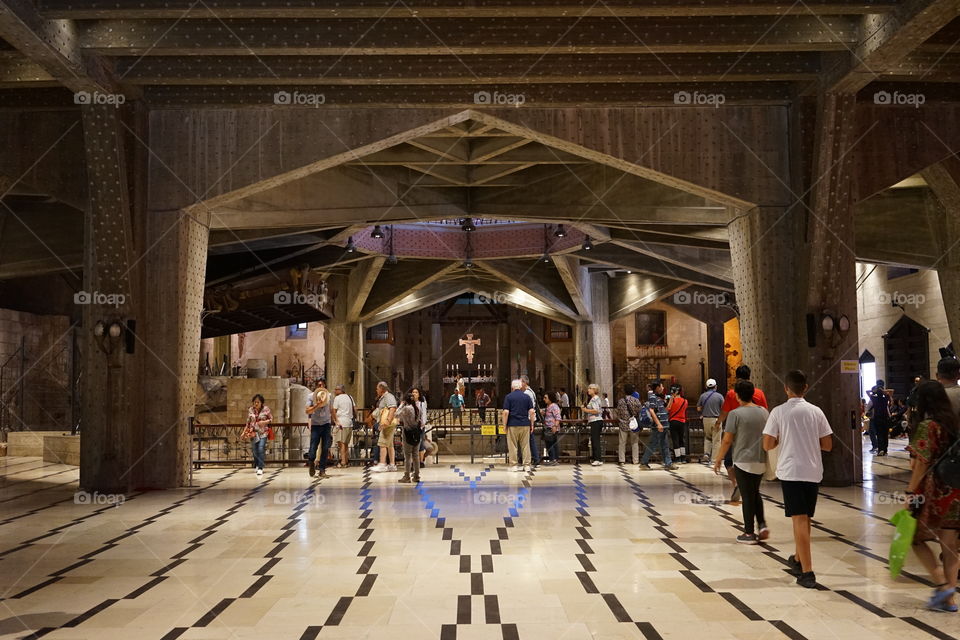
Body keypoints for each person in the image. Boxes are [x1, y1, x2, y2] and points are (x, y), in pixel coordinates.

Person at [762, 370, 833, 589]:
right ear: (806, 388)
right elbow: (828, 445)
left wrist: (782, 440)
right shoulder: (816, 411)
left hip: (792, 471)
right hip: (812, 471)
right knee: (804, 519)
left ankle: (807, 572)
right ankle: (797, 558)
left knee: (799, 519)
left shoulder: (779, 412)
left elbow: (767, 444)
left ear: (786, 388)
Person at [906, 380, 960, 612]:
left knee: (914, 538)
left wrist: (910, 491)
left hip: (935, 490)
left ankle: (941, 583)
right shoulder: (954, 422)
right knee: (950, 546)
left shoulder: (928, 426)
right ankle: (949, 599)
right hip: (957, 488)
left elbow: (921, 462)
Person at [714, 380, 769, 544]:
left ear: (737, 396)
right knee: (754, 492)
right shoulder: (764, 412)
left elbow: (727, 440)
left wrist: (718, 459)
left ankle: (749, 533)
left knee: (747, 495)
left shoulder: (735, 414)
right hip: (760, 459)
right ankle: (763, 525)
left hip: (743, 460)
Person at [718, 365, 768, 500]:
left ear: (736, 376)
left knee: (729, 460)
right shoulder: (759, 393)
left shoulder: (731, 393)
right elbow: (764, 411)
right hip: (755, 433)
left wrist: (718, 422)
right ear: (750, 376)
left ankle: (736, 483)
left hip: (735, 430)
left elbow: (725, 411)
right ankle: (751, 488)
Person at [641, 381, 677, 470]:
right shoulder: (653, 397)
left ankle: (668, 463)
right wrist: (658, 424)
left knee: (665, 445)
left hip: (664, 425)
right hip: (659, 426)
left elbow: (667, 409)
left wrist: (672, 398)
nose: (663, 388)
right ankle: (644, 463)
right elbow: (651, 410)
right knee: (653, 444)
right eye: (661, 386)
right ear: (657, 387)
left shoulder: (659, 398)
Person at [502, 379, 534, 472]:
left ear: (512, 387)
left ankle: (514, 465)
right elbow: (532, 412)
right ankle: (527, 465)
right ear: (520, 387)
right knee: (525, 445)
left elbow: (505, 412)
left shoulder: (509, 397)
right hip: (525, 424)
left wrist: (504, 425)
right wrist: (532, 424)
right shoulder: (526, 397)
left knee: (513, 446)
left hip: (512, 424)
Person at [305, 378, 332, 479]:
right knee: (313, 446)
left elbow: (331, 410)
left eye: (322, 385)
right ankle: (311, 461)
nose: (321, 387)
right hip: (316, 425)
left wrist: (336, 421)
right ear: (316, 387)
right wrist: (317, 405)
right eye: (319, 385)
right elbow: (307, 411)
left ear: (324, 386)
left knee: (325, 447)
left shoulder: (329, 396)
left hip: (326, 424)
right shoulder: (310, 397)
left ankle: (322, 470)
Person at [372, 381, 398, 473]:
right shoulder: (383, 397)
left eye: (377, 388)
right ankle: (392, 464)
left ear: (382, 389)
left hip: (387, 424)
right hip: (386, 423)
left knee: (382, 443)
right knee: (389, 445)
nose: (376, 390)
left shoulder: (388, 397)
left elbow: (392, 408)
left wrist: (387, 421)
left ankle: (382, 464)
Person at [397, 392, 422, 484]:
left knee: (407, 456)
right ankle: (416, 475)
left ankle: (407, 476)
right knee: (416, 455)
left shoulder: (406, 408)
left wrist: (401, 405)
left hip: (408, 432)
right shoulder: (417, 408)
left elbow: (396, 414)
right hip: (417, 432)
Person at [698, 379, 724, 464]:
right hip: (716, 419)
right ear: (715, 387)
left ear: (706, 387)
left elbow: (698, 408)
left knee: (707, 437)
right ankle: (714, 459)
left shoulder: (703, 396)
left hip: (705, 419)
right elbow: (724, 409)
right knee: (716, 440)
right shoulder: (720, 396)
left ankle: (706, 454)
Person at [616, 384, 643, 465]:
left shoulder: (621, 401)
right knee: (634, 443)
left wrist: (621, 419)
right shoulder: (636, 400)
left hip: (623, 424)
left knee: (622, 443)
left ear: (624, 391)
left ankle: (622, 460)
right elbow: (640, 411)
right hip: (634, 425)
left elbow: (618, 412)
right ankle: (635, 460)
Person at [247, 394, 272, 476]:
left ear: (261, 403)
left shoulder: (266, 409)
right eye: (255, 402)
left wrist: (264, 422)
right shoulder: (251, 410)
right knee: (255, 450)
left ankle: (260, 467)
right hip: (254, 433)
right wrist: (244, 432)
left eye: (258, 402)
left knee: (261, 448)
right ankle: (257, 464)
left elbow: (271, 419)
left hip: (263, 432)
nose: (256, 404)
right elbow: (248, 421)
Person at [331, 384, 355, 469]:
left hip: (341, 423)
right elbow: (355, 409)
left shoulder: (337, 398)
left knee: (341, 443)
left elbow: (333, 410)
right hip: (349, 422)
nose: (335, 391)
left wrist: (336, 421)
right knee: (346, 443)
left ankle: (343, 462)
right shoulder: (350, 397)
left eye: (336, 389)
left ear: (340, 390)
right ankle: (346, 460)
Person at [522, 376, 542, 466]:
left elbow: (529, 408)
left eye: (520, 382)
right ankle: (534, 457)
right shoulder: (531, 391)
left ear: (524, 382)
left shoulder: (527, 393)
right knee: (530, 439)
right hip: (530, 418)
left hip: (528, 419)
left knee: (530, 439)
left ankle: (535, 458)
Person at [867, 380, 891, 456]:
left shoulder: (874, 399)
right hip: (885, 417)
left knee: (879, 433)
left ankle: (881, 449)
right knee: (885, 434)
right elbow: (891, 392)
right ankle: (885, 449)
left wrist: (874, 391)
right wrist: (883, 391)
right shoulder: (885, 398)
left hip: (878, 417)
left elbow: (867, 392)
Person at [413, 388, 435, 468]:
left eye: (416, 392)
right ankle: (414, 461)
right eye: (413, 392)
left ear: (419, 394)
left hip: (419, 427)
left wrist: (422, 424)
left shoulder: (421, 403)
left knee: (420, 444)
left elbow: (424, 415)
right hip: (411, 426)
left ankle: (421, 461)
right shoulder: (409, 403)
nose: (414, 394)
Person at [584, 383, 605, 466]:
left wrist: (585, 410)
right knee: (594, 440)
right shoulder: (594, 398)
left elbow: (596, 410)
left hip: (596, 421)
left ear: (594, 390)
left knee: (595, 440)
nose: (588, 390)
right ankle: (597, 458)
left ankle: (597, 459)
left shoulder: (594, 399)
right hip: (595, 421)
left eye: (590, 388)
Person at [667, 384, 689, 463]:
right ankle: (683, 457)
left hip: (673, 421)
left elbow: (668, 409)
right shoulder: (685, 401)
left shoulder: (672, 400)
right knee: (681, 440)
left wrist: (670, 400)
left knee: (675, 440)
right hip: (682, 422)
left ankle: (677, 458)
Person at [542, 391, 562, 465]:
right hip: (548, 427)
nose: (544, 399)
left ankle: (553, 459)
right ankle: (553, 459)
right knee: (550, 444)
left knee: (550, 444)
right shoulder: (548, 406)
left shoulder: (554, 406)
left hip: (552, 428)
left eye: (545, 398)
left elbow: (558, 417)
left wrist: (555, 426)